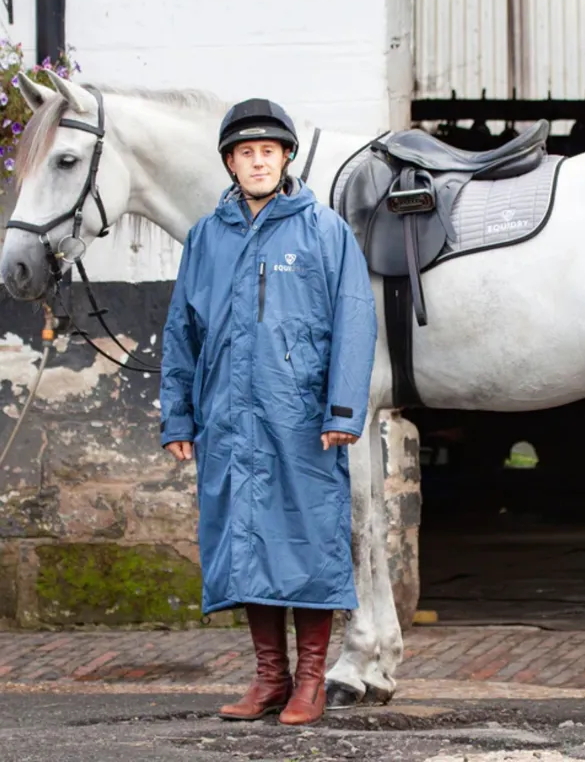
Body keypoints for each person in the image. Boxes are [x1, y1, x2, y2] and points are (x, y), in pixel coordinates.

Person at [159, 98, 377, 726]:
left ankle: (311, 681)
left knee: (305, 542)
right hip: (228, 416)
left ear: (286, 158)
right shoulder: (206, 236)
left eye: (268, 151)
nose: (258, 162)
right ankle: (269, 680)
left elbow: (354, 321)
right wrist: (179, 416)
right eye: (245, 152)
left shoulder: (323, 229)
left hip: (301, 418)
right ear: (230, 163)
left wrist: (341, 409)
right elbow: (183, 329)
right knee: (245, 545)